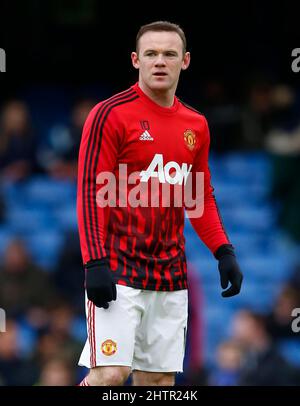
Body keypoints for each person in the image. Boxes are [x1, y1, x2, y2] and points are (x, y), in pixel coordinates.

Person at [77, 21, 243, 386]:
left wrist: (223, 250)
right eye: (151, 54)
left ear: (184, 61)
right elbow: (91, 192)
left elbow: (198, 197)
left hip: (170, 275)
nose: (159, 61)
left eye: (169, 54)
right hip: (117, 267)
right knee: (109, 375)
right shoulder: (110, 114)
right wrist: (95, 263)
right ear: (136, 60)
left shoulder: (195, 124)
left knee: (158, 384)